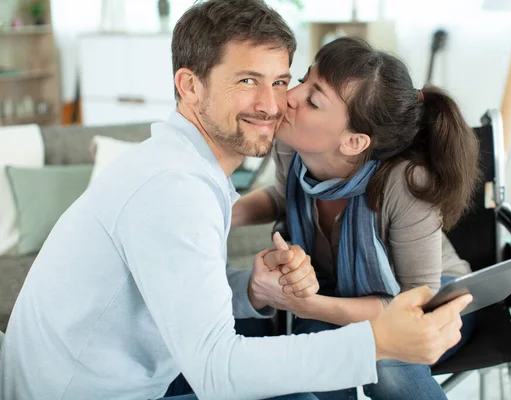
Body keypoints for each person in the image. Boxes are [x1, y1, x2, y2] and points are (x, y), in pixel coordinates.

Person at [0, 1, 472, 400]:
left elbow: (171, 292)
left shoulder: (186, 171)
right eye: (247, 81)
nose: (273, 103)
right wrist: (374, 340)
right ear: (189, 86)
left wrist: (252, 289)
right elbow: (216, 369)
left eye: (281, 80)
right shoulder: (174, 189)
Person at [232, 37, 482, 400]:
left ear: (353, 142)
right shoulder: (291, 144)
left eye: (313, 100)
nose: (291, 95)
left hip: (433, 303)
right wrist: (221, 213)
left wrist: (307, 304)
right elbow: (282, 196)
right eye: (305, 78)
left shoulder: (405, 184)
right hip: (338, 292)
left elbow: (411, 308)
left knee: (387, 365)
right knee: (317, 353)